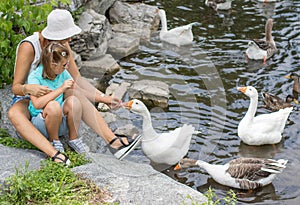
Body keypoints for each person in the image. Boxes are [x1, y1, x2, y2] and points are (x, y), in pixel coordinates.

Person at [8, 9, 142, 164]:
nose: (69, 40)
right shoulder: (29, 47)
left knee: (74, 92)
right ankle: (54, 153)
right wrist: (29, 88)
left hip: (56, 95)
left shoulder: (63, 46)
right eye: (66, 37)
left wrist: (104, 98)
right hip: (30, 97)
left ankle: (113, 142)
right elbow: (16, 87)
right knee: (14, 113)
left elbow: (76, 79)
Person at [28, 42, 89, 161]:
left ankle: (74, 139)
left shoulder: (63, 73)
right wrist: (61, 89)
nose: (66, 67)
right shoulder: (35, 77)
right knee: (53, 106)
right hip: (42, 124)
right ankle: (54, 141)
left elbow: (78, 90)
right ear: (53, 64)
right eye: (64, 65)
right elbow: (37, 104)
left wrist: (103, 98)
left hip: (59, 120)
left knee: (73, 101)